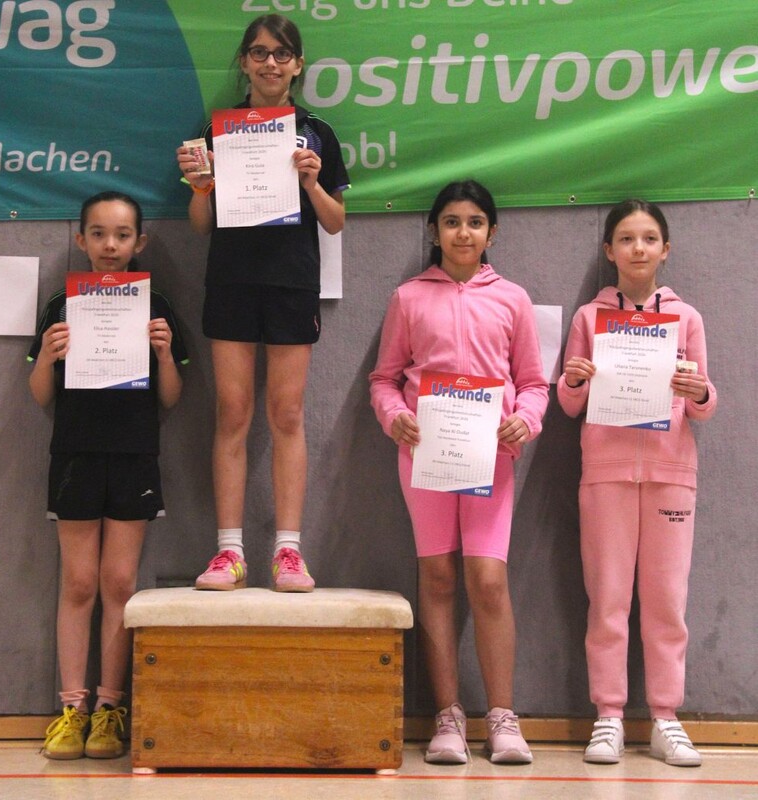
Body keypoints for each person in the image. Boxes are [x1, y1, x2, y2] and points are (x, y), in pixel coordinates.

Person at [369, 180, 548, 765]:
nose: (463, 232)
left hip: (492, 457)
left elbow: (534, 383)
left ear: (492, 232)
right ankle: (447, 716)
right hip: (425, 454)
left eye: (474, 222)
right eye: (451, 222)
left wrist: (526, 419)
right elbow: (384, 379)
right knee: (438, 578)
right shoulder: (408, 298)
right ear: (434, 231)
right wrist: (394, 416)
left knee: (488, 580)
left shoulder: (513, 299)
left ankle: (502, 717)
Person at [176, 14, 349, 593]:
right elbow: (200, 224)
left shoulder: (317, 132)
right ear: (244, 62)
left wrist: (312, 184)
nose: (270, 63)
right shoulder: (215, 130)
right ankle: (229, 552)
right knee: (232, 413)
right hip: (231, 280)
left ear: (298, 65)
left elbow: (335, 222)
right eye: (258, 52)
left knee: (287, 414)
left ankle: (288, 552)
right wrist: (202, 187)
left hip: (292, 283)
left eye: (281, 53)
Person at [557, 199, 716, 767]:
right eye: (626, 238)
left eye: (649, 238)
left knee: (667, 601)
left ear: (665, 249)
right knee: (608, 599)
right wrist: (575, 381)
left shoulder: (687, 318)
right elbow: (569, 402)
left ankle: (666, 718)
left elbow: (704, 403)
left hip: (672, 476)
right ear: (609, 250)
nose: (638, 248)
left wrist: (698, 390)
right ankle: (609, 716)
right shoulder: (589, 318)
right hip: (606, 476)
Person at [28, 191, 187, 760]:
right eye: (98, 233)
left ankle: (109, 709)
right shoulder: (61, 305)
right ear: (81, 240)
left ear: (139, 241)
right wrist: (49, 357)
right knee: (78, 583)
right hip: (74, 455)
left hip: (134, 456)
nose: (110, 245)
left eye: (122, 235)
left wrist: (164, 355)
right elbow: (39, 395)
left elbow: (171, 398)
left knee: (120, 583)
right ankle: (71, 709)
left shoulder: (156, 304)